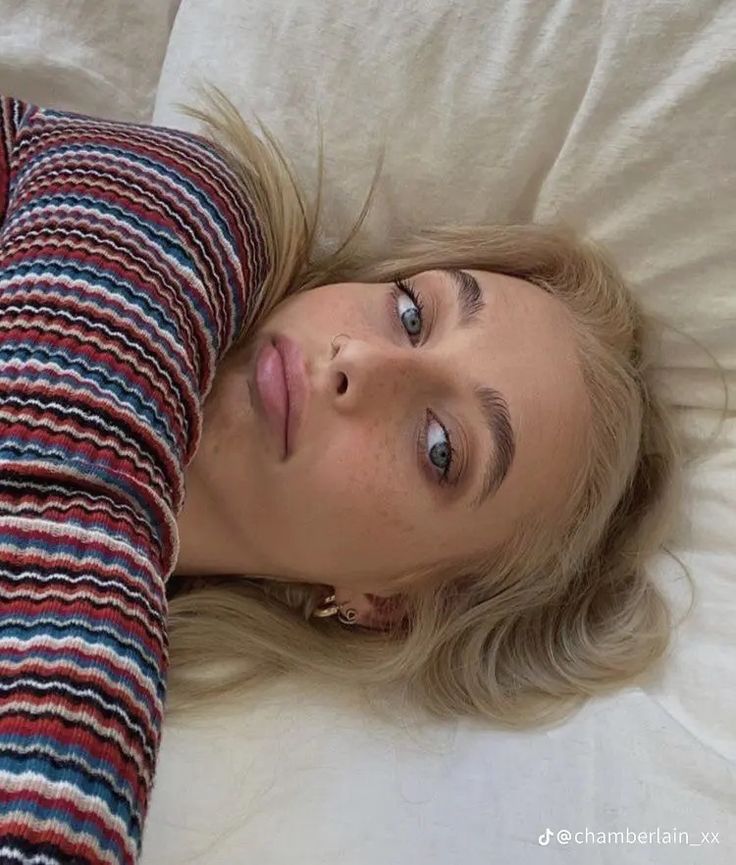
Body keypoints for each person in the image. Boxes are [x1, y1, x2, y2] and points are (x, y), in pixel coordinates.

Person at [165, 86, 686, 729]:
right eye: (412, 314)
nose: (359, 359)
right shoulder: (169, 199)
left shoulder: (81, 695)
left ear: (387, 605)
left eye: (440, 448)